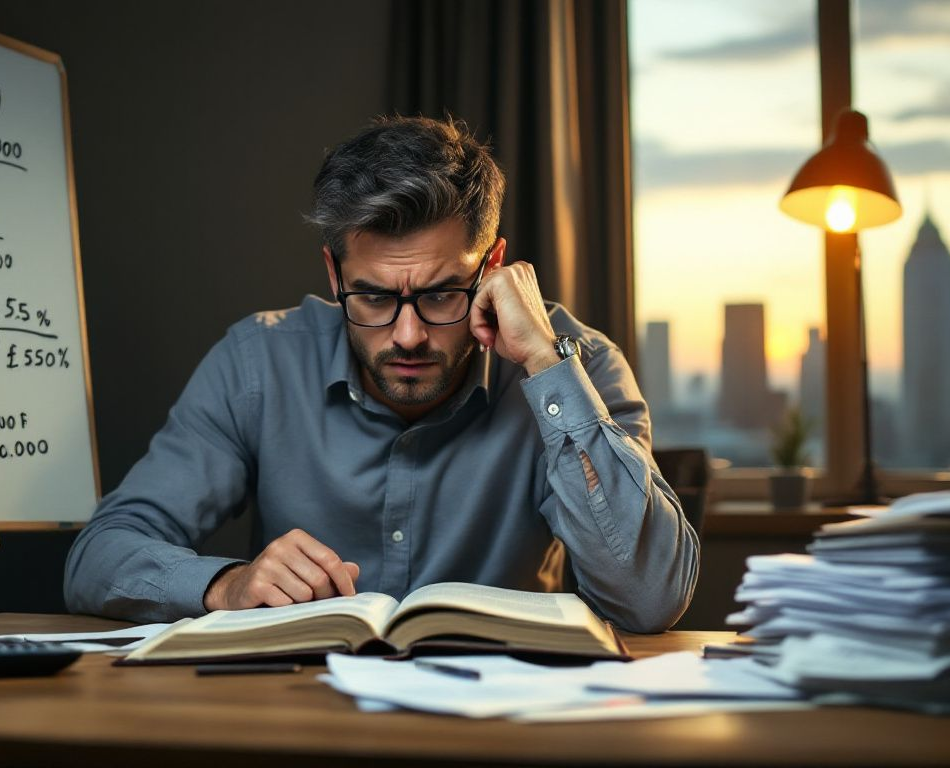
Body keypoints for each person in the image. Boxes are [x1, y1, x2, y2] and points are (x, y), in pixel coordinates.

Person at [65, 116, 697, 633]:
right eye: (371, 297)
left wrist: (543, 364)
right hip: (300, 721)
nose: (408, 335)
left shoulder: (576, 365)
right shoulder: (257, 363)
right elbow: (98, 556)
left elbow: (650, 598)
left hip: (502, 731)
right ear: (334, 275)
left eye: (443, 293)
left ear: (495, 265)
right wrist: (225, 585)